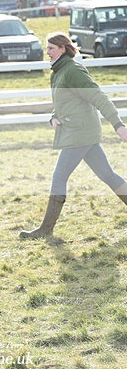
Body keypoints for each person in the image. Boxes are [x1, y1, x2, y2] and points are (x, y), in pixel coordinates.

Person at [20, 32, 127, 239]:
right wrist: (53, 117)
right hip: (78, 131)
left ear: (62, 48)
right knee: (107, 175)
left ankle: (45, 230)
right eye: (47, 48)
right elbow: (63, 102)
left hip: (80, 133)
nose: (47, 52)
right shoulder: (59, 71)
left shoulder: (73, 71)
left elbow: (98, 97)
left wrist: (118, 125)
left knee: (59, 176)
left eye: (51, 48)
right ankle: (45, 229)